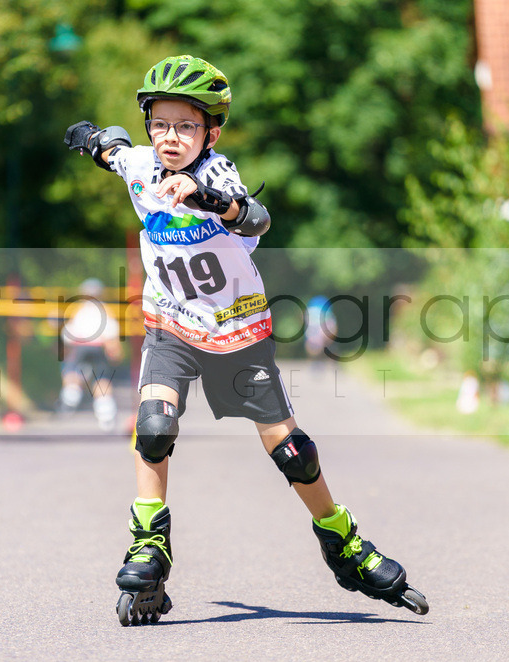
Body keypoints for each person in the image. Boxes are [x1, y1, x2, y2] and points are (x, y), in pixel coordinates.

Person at [65, 54, 427, 625]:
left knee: (291, 450)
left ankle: (343, 542)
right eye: (160, 123)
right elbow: (113, 152)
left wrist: (207, 199)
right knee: (154, 425)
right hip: (171, 325)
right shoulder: (139, 163)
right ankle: (148, 545)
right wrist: (92, 139)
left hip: (237, 330)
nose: (171, 137)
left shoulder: (218, 174)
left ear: (210, 131)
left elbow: (252, 217)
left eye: (186, 126)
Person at [58, 278, 123, 431]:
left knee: (73, 372)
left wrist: (67, 351)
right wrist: (114, 350)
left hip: (80, 346)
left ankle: (70, 395)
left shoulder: (78, 310)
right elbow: (111, 333)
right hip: (99, 346)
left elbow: (67, 334)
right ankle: (105, 412)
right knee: (102, 379)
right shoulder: (105, 310)